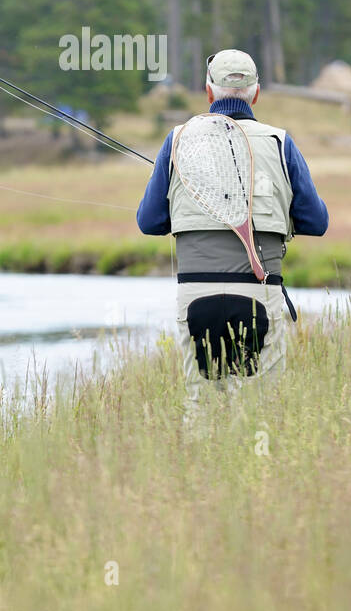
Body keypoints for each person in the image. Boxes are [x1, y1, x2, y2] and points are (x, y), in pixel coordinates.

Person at [136, 48, 328, 406]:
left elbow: (149, 222)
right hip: (260, 293)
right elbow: (317, 223)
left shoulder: (177, 139)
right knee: (263, 412)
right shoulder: (280, 142)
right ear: (256, 93)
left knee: (202, 409)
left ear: (208, 92)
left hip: (195, 297)